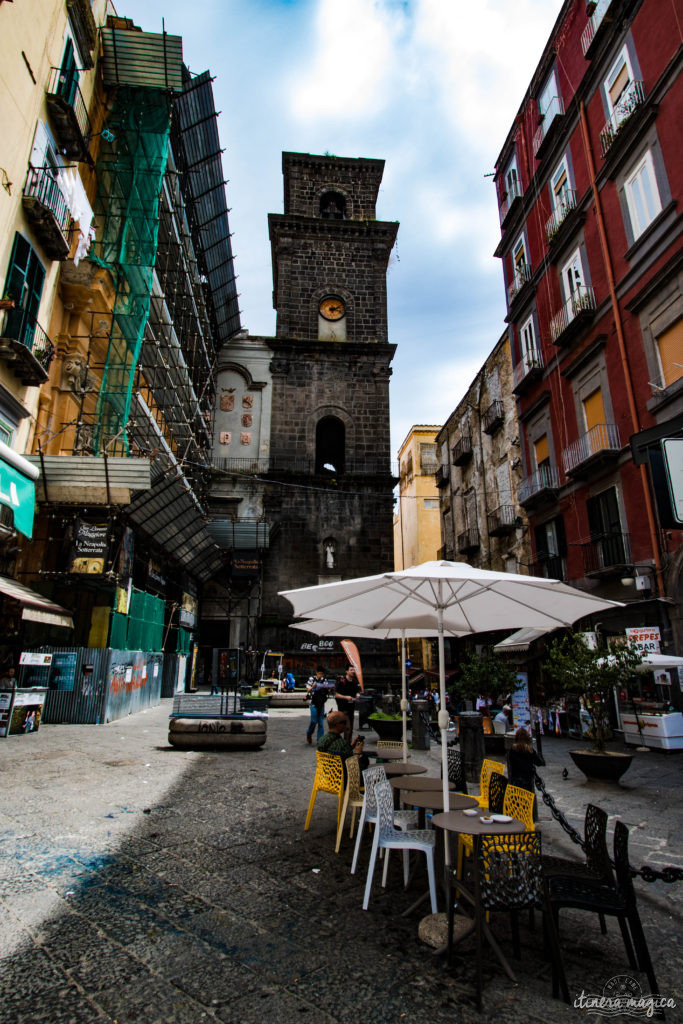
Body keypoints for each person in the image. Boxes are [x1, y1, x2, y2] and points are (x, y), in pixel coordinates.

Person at [507, 727, 545, 820]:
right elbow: (539, 762)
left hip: (516, 779)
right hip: (527, 780)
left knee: (517, 802)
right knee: (527, 802)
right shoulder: (530, 750)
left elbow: (510, 763)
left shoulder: (513, 749)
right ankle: (527, 818)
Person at [305, 666, 334, 744]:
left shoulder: (324, 681)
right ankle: (309, 733)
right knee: (314, 721)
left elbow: (327, 690)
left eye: (322, 674)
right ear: (316, 673)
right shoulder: (312, 679)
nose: (320, 675)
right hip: (313, 702)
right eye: (319, 673)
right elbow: (308, 690)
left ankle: (320, 739)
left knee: (321, 722)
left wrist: (328, 689)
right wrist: (313, 687)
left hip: (321, 702)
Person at [335, 665, 363, 740]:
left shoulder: (354, 681)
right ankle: (345, 745)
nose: (353, 671)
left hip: (351, 708)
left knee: (350, 729)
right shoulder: (341, 681)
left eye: (353, 670)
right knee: (347, 728)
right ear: (346, 671)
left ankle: (347, 745)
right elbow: (336, 695)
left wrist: (357, 694)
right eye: (351, 670)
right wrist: (345, 697)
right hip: (343, 708)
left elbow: (357, 691)